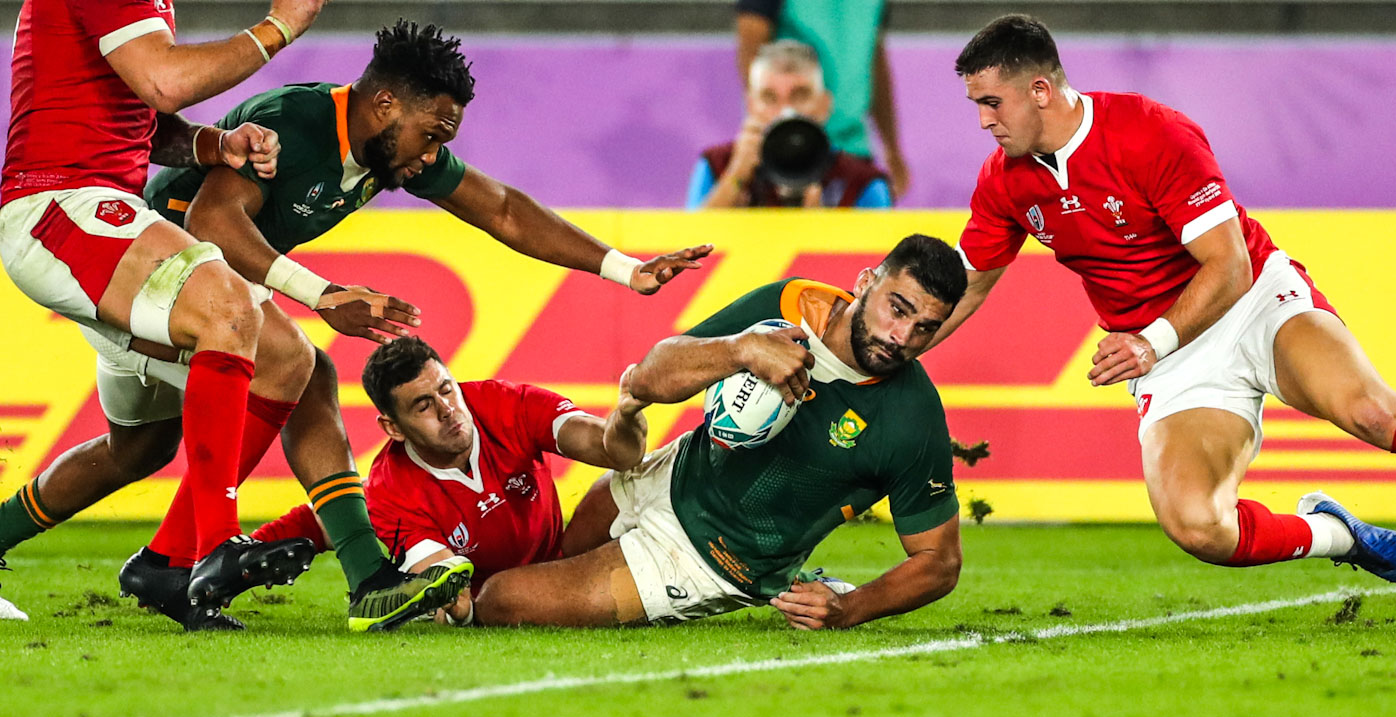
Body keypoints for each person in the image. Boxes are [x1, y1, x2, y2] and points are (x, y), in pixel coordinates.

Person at [0, 20, 712, 631]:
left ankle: (122, 554)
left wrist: (624, 269)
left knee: (137, 449)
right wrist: (323, 293)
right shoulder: (297, 121)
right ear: (383, 104)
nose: (431, 155)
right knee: (301, 366)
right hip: (137, 277)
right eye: (429, 135)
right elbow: (212, 218)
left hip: (174, 302)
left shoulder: (384, 152)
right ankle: (318, 569)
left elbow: (501, 209)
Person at [941, 15, 1396, 583]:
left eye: (992, 102)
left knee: (1371, 411)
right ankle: (1338, 535)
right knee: (1197, 526)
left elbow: (1227, 267)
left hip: (1252, 302)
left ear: (1041, 89)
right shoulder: (1005, 181)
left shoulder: (1149, 132)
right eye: (975, 105)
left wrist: (1149, 342)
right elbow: (966, 283)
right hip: (1174, 361)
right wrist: (891, 349)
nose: (983, 121)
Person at [0, 0, 335, 625]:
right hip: (60, 205)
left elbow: (138, 111)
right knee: (229, 306)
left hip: (105, 223)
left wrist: (213, 144)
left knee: (281, 361)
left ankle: (165, 564)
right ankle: (215, 546)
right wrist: (279, 26)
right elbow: (164, 81)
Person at [467, 234, 965, 630]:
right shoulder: (792, 304)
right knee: (551, 558)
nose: (902, 337)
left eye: (926, 328)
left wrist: (851, 608)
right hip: (672, 473)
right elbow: (647, 378)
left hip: (710, 561)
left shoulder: (912, 417)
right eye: (898, 308)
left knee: (502, 600)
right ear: (866, 282)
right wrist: (739, 349)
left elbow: (940, 561)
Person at [250, 336, 649, 626]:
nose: (447, 410)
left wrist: (626, 418)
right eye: (424, 405)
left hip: (563, 552)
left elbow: (610, 449)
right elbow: (449, 588)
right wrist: (452, 608)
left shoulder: (506, 403)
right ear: (393, 428)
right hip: (497, 595)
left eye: (446, 389)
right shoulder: (390, 490)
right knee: (496, 597)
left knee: (628, 482)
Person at [734, 0, 909, 198]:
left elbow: (873, 57)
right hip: (787, 148)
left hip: (852, 146)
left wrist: (892, 147)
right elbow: (752, 48)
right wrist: (768, 132)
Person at [688, 40, 891, 210]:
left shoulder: (861, 181)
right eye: (769, 97)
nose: (786, 111)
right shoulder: (717, 165)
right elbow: (690, 241)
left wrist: (824, 230)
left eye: (800, 95)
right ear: (751, 106)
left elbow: (881, 245)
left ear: (824, 105)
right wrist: (736, 176)